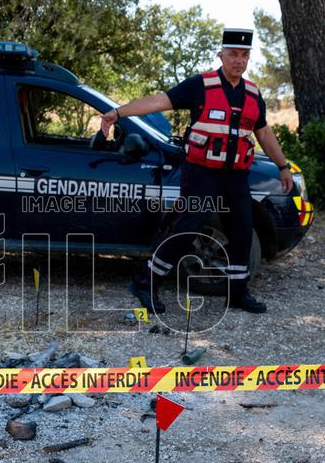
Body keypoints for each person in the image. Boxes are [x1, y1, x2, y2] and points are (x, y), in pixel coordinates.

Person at [101, 28, 294, 315]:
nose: (238, 61)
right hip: (201, 174)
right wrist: (117, 113)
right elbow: (158, 101)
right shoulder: (200, 86)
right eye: (233, 54)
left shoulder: (253, 94)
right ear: (221, 55)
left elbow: (263, 133)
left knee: (241, 232)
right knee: (185, 229)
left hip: (236, 177)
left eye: (244, 55)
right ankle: (145, 282)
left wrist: (283, 166)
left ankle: (238, 293)